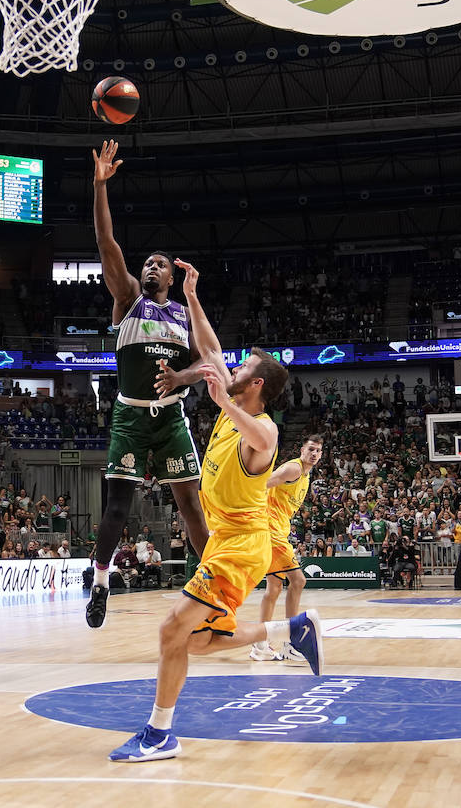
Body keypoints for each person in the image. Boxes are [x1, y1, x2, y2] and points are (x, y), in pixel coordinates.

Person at [110, 260, 321, 763]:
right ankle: (288, 631)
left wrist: (221, 401)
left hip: (243, 547)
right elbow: (208, 347)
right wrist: (192, 294)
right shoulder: (237, 396)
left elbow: (261, 438)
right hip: (225, 544)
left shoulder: (263, 430)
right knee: (198, 641)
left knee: (171, 631)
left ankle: (160, 733)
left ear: (255, 388)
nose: (232, 369)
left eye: (242, 369)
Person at [85, 140, 210, 629]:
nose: (150, 266)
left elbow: (211, 364)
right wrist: (100, 186)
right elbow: (107, 245)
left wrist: (181, 375)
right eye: (148, 262)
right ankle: (98, 583)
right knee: (118, 505)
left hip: (172, 417)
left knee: (191, 508)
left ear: (173, 275)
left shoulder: (184, 313)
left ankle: (217, 586)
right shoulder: (128, 299)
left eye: (160, 262)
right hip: (131, 415)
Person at [248, 434, 323, 663]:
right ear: (302, 449)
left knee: (274, 588)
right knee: (298, 581)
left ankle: (260, 644)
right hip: (270, 531)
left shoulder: (307, 476)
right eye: (311, 449)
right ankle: (292, 642)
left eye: (318, 451)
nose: (314, 454)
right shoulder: (294, 470)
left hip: (278, 531)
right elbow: (259, 484)